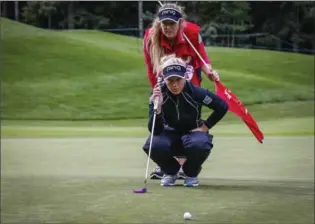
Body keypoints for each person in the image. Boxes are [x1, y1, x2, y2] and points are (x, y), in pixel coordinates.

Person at [143, 2, 220, 179]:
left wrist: (209, 71)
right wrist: (158, 90)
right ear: (159, 23)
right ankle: (168, 166)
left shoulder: (191, 32)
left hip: (190, 83)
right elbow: (150, 67)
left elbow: (202, 57)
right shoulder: (150, 37)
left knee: (188, 125)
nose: (168, 27)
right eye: (165, 23)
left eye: (172, 23)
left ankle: (185, 167)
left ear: (180, 23)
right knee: (165, 126)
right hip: (165, 84)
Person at [142, 55, 228, 187]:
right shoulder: (158, 94)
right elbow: (155, 129)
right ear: (164, 79)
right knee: (152, 145)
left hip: (193, 133)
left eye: (178, 80)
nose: (175, 85)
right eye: (170, 80)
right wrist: (157, 110)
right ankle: (170, 172)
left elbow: (222, 106)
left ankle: (190, 173)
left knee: (200, 144)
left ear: (185, 77)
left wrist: (206, 126)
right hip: (169, 134)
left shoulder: (196, 92)